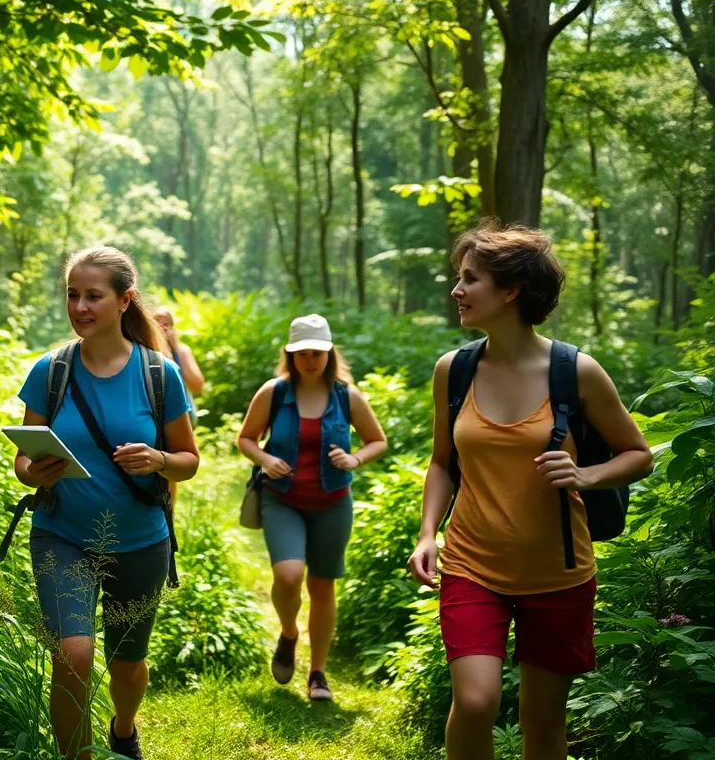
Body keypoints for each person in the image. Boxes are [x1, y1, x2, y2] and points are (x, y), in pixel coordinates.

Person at [407, 223, 653, 760]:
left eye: (470, 279)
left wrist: (587, 476)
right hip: (473, 564)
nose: (457, 291)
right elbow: (442, 464)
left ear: (511, 290)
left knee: (542, 723)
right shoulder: (454, 370)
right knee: (474, 702)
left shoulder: (576, 371)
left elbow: (639, 455)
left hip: (559, 574)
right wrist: (428, 534)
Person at [13, 246, 198, 760]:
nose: (80, 306)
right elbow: (23, 463)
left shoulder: (159, 374)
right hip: (62, 532)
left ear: (124, 301)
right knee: (73, 654)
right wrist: (36, 469)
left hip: (140, 541)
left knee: (126, 662)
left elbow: (189, 459)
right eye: (73, 294)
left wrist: (158, 458)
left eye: (94, 295)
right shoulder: (50, 371)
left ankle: (123, 726)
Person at [236, 313, 387, 701]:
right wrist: (265, 460)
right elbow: (247, 439)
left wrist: (354, 460)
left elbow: (377, 441)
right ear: (290, 354)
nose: (310, 359)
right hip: (282, 499)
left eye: (317, 352)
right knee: (288, 576)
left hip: (333, 503)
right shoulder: (273, 392)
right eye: (302, 352)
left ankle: (317, 673)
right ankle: (289, 633)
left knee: (322, 587)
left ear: (330, 353)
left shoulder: (346, 396)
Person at [154, 305, 204, 506]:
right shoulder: (141, 349)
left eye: (166, 324)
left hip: (179, 415)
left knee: (169, 468)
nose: (162, 328)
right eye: (156, 323)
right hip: (154, 415)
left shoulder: (181, 350)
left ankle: (169, 515)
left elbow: (198, 385)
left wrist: (174, 354)